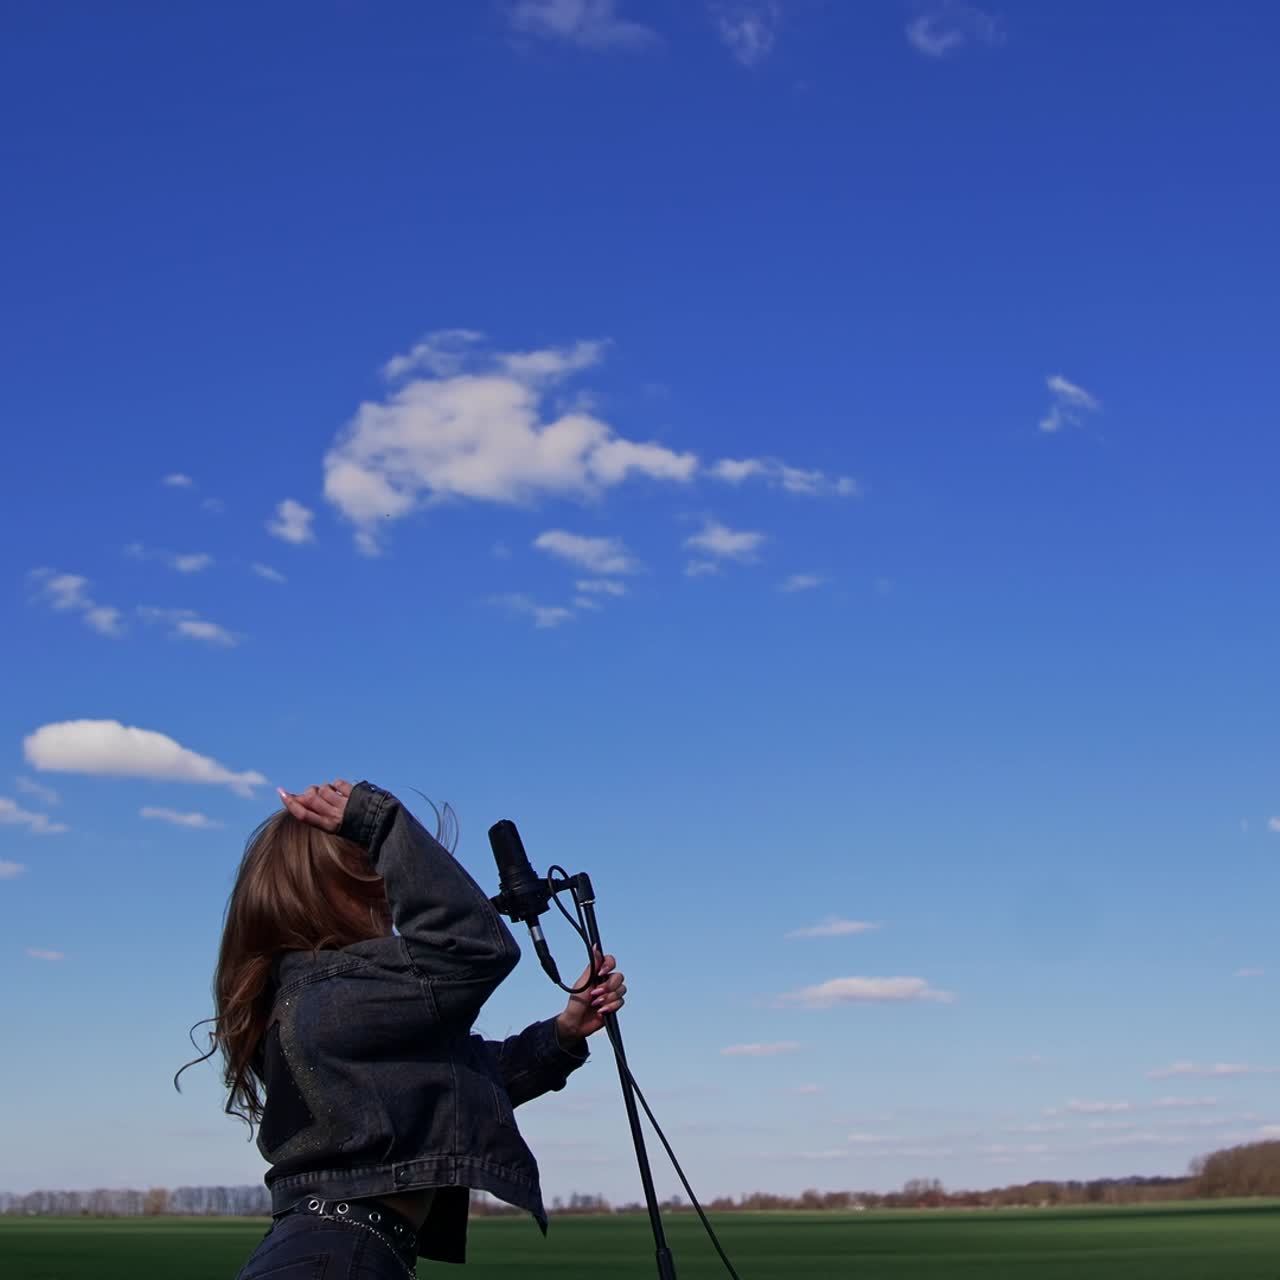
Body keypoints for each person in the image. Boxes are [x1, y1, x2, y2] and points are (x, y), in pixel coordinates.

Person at [179, 778, 626, 1278]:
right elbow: (471, 945)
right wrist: (379, 820)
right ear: (331, 890)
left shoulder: (318, 1004)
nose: (391, 899)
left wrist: (563, 1034)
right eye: (375, 876)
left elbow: (456, 1083)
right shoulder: (332, 1000)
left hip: (331, 1249)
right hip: (340, 1255)